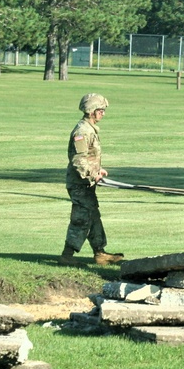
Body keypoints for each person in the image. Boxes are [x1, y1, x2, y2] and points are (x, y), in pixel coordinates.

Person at [60, 93, 124, 266]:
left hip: (86, 183)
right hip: (79, 184)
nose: (103, 113)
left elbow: (88, 158)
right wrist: (92, 174)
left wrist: (97, 170)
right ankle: (67, 255)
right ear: (91, 111)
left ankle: (100, 253)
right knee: (82, 218)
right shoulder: (82, 131)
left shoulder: (90, 129)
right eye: (100, 110)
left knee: (93, 216)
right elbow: (78, 160)